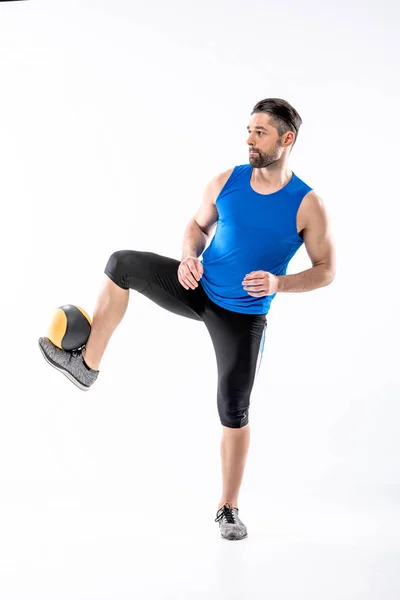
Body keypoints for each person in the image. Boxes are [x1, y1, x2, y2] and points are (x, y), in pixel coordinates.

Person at [38, 97, 336, 541]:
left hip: (242, 314)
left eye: (260, 133)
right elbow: (196, 227)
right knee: (122, 263)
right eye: (249, 130)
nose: (249, 139)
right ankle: (87, 365)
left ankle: (228, 508)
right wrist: (187, 257)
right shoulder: (227, 181)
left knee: (234, 409)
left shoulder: (306, 204)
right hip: (197, 286)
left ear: (286, 139)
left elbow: (326, 270)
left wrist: (278, 284)